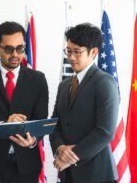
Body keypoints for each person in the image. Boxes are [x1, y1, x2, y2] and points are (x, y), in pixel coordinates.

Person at [0, 21, 49, 183]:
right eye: (8, 49)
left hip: (26, 165)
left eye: (20, 48)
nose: (15, 54)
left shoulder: (38, 79)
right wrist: (6, 123)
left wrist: (33, 140)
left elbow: (40, 121)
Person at [50, 23, 119, 183]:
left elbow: (105, 132)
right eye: (68, 51)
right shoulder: (64, 85)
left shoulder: (104, 82)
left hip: (97, 174)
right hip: (67, 175)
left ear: (93, 52)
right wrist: (59, 148)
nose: (71, 57)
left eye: (77, 52)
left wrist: (69, 158)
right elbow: (55, 124)